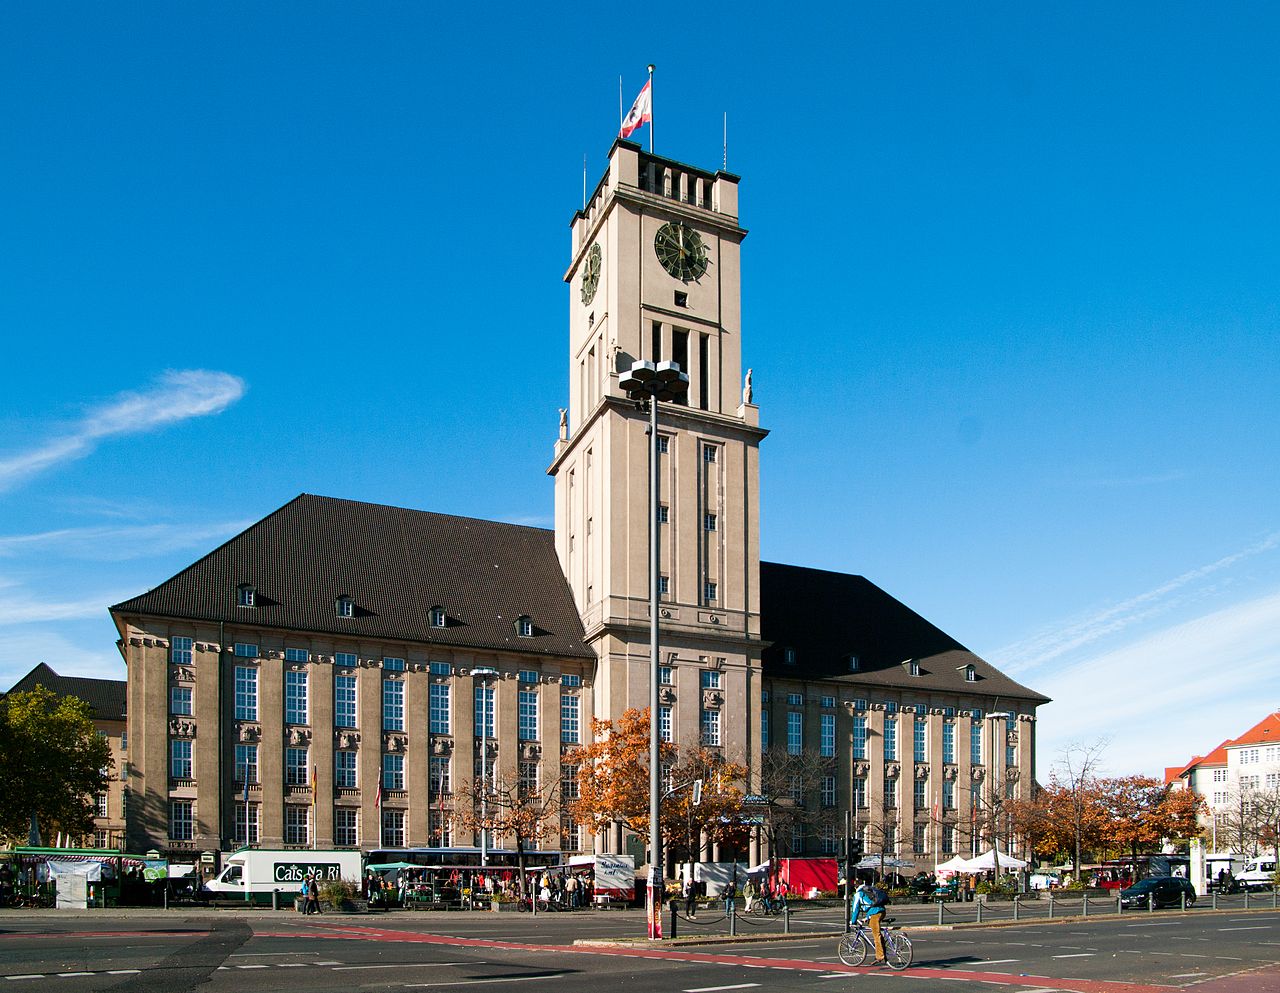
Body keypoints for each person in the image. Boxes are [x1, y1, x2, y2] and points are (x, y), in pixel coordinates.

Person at [850, 880, 887, 965]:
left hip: (875, 912)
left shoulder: (858, 894)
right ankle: (882, 951)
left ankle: (880, 956)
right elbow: (870, 904)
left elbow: (855, 909)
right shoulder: (869, 890)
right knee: (874, 928)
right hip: (881, 911)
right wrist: (867, 917)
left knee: (876, 934)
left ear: (855, 887)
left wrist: (853, 922)